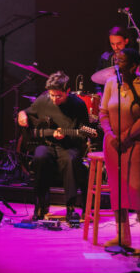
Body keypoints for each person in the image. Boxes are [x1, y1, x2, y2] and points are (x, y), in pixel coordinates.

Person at [99, 47, 140, 253]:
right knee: (116, 188)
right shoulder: (111, 83)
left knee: (137, 188)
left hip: (134, 143)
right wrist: (111, 135)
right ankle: (122, 235)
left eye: (121, 61)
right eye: (116, 60)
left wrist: (126, 136)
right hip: (112, 144)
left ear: (133, 66)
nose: (116, 63)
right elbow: (103, 112)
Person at [18, 71, 90, 221]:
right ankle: (40, 206)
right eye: (52, 95)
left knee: (70, 160)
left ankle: (70, 208)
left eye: (59, 96)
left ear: (67, 91)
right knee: (40, 156)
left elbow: (84, 132)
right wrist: (22, 114)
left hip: (69, 146)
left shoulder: (78, 105)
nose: (55, 99)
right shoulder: (43, 100)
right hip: (47, 144)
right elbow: (28, 112)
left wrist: (66, 135)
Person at [93, 27, 137, 91]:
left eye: (119, 43)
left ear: (126, 41)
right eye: (112, 44)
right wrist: (99, 93)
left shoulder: (134, 57)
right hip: (110, 94)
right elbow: (97, 80)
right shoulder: (105, 58)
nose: (115, 47)